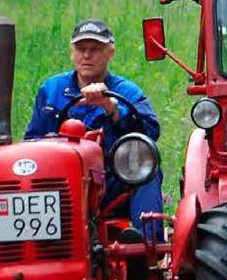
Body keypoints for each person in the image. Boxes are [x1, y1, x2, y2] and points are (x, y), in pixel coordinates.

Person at [25, 18, 164, 239]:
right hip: (61, 184)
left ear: (110, 53)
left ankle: (147, 246)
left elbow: (150, 133)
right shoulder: (52, 90)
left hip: (113, 183)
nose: (87, 56)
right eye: (81, 49)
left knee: (146, 168)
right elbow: (32, 140)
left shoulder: (126, 91)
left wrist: (113, 108)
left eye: (95, 49)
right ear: (72, 53)